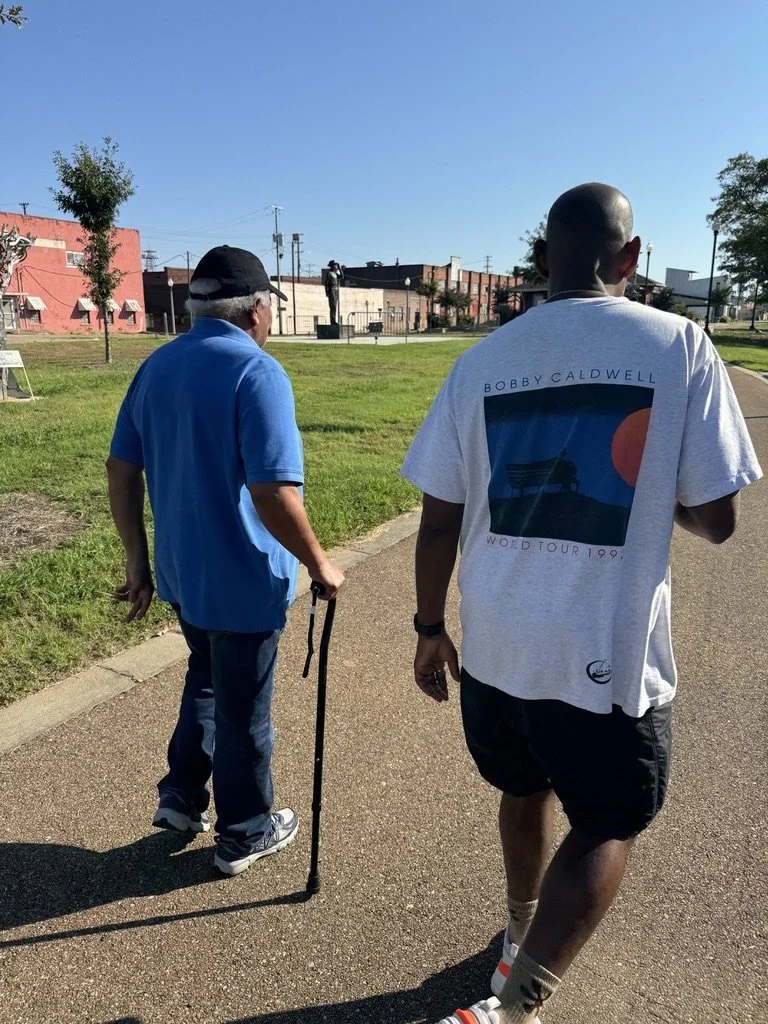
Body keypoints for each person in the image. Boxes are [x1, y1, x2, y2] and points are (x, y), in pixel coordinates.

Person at [401, 183, 762, 1024]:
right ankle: (513, 1007)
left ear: (538, 260)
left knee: (522, 790)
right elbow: (719, 519)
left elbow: (437, 522)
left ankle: (516, 933)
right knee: (606, 822)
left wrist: (428, 630)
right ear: (631, 260)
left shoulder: (478, 362)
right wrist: (649, 494)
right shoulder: (679, 345)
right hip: (605, 654)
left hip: (494, 651)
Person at [107, 245, 344, 877]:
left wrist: (138, 560)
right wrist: (321, 565)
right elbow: (273, 492)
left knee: (208, 680)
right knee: (243, 708)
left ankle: (183, 797)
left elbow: (120, 468)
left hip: (184, 572)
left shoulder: (156, 366)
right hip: (243, 578)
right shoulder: (257, 372)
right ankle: (245, 829)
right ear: (257, 310)